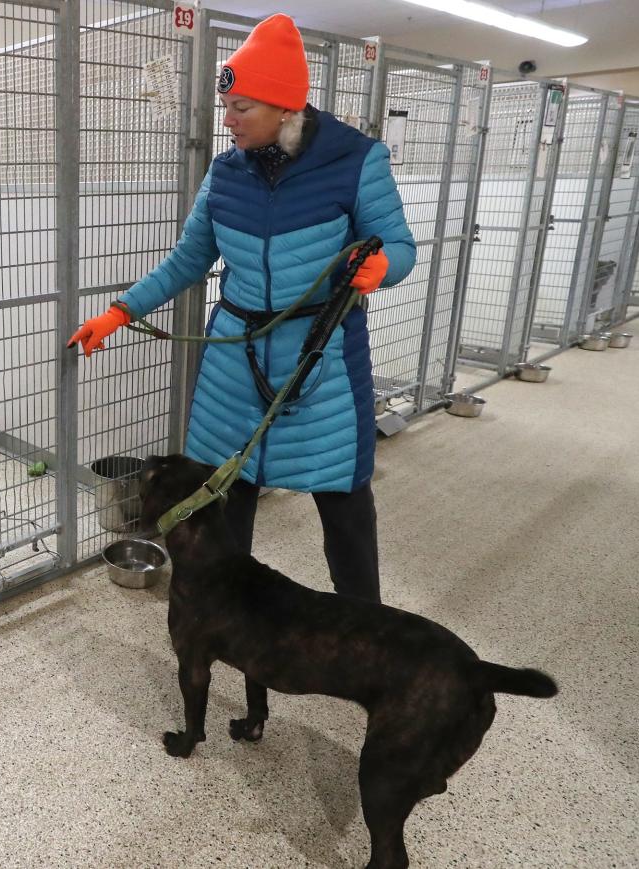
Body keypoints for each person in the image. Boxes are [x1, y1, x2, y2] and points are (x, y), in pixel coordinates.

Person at [69, 13, 416, 603]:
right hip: (236, 361)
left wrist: (383, 268)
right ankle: (227, 611)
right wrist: (121, 311)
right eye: (226, 105)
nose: (225, 120)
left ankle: (368, 627)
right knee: (228, 495)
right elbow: (187, 261)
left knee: (344, 501)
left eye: (241, 108)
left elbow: (400, 246)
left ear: (285, 108)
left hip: (321, 359)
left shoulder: (359, 161)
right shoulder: (225, 173)